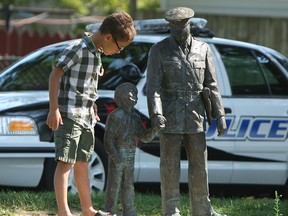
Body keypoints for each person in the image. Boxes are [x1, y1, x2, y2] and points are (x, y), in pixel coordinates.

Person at [45, 12, 136, 216]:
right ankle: (63, 211)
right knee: (65, 162)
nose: (119, 52)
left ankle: (87, 209)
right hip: (68, 115)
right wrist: (54, 109)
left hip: (86, 118)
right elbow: (55, 75)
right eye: (120, 47)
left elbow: (86, 85)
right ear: (108, 37)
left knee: (83, 162)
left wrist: (92, 104)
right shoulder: (78, 49)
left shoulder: (97, 53)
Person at [146, 7, 227, 216]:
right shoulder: (158, 50)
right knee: (169, 165)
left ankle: (202, 209)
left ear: (189, 24)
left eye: (181, 25)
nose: (177, 29)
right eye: (173, 26)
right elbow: (153, 87)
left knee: (199, 165)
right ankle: (171, 209)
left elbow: (212, 84)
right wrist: (156, 114)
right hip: (170, 113)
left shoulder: (203, 49)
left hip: (196, 114)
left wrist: (220, 115)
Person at [104, 82, 165, 216]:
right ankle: (109, 210)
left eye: (135, 93)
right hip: (118, 152)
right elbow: (108, 140)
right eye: (131, 92)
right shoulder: (115, 116)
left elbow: (144, 137)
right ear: (121, 96)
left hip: (130, 154)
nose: (135, 95)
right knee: (114, 183)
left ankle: (129, 210)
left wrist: (155, 129)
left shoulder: (136, 118)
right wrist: (116, 157)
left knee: (128, 184)